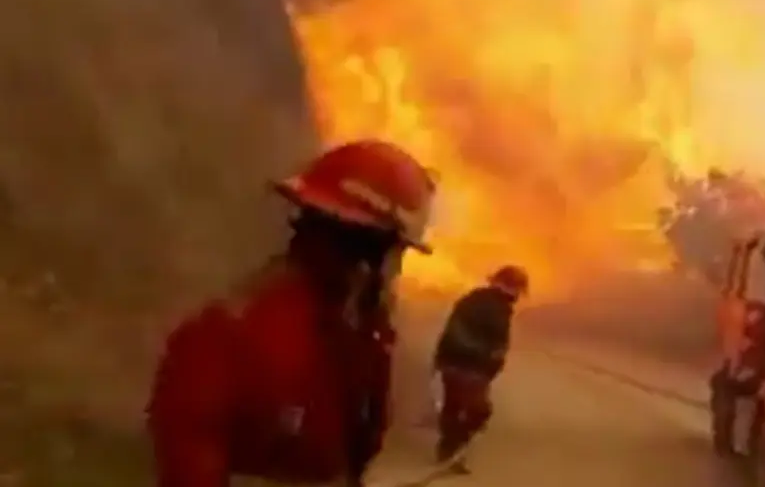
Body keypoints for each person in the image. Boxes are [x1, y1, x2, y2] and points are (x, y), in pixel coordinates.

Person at [145, 139, 437, 487]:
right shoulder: (229, 335)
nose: (396, 272)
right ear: (363, 254)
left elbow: (358, 446)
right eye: (394, 255)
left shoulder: (361, 333)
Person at [432, 265, 529, 473]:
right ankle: (453, 451)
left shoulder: (482, 302)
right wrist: (485, 355)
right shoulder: (486, 305)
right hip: (466, 364)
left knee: (455, 406)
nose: (518, 296)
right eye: (517, 290)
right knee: (478, 410)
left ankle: (448, 450)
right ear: (508, 287)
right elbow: (461, 333)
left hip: (458, 363)